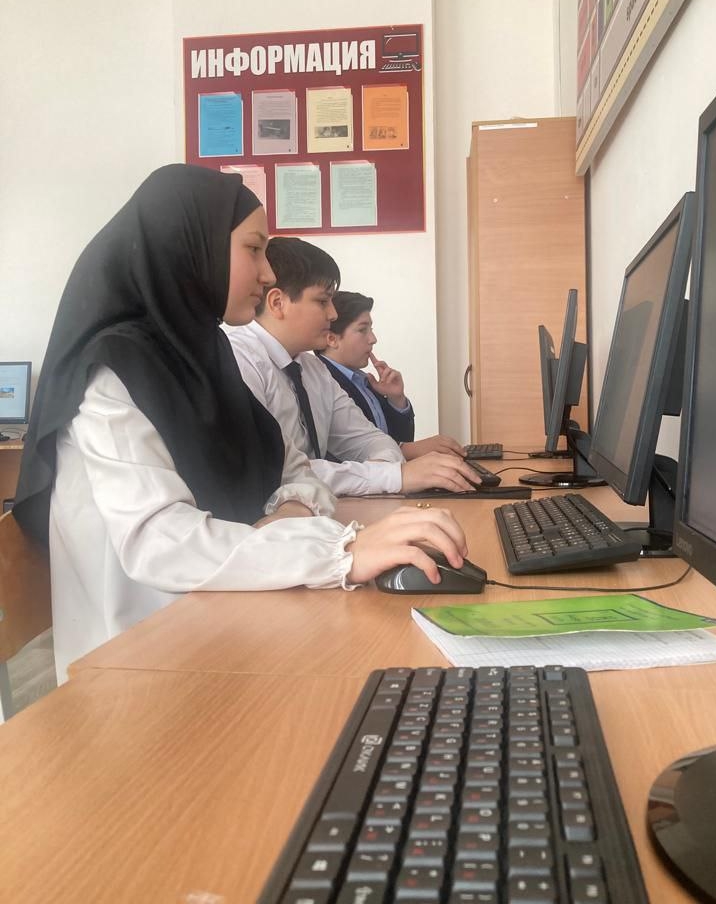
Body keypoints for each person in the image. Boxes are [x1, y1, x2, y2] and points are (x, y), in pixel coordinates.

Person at [13, 165, 468, 683]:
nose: (268, 273)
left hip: (228, 623)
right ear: (192, 246)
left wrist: (290, 514)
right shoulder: (110, 375)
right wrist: (340, 552)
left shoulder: (206, 354)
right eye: (254, 249)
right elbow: (159, 543)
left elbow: (296, 468)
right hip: (141, 665)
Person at [224, 237, 480, 498]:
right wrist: (391, 476)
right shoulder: (237, 362)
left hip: (315, 512)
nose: (333, 314)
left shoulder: (312, 369)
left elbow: (369, 439)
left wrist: (385, 471)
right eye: (322, 301)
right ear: (278, 303)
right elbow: (278, 471)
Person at [319, 290, 465, 459]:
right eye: (362, 330)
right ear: (332, 339)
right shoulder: (322, 382)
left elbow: (402, 440)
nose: (373, 339)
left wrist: (397, 400)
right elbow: (351, 454)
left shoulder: (363, 380)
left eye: (371, 329)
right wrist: (414, 450)